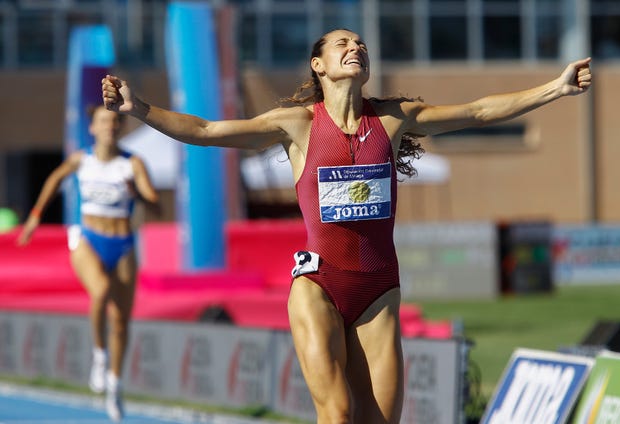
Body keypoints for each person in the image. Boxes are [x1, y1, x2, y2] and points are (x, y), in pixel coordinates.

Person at [102, 28, 591, 424]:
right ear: (319, 65)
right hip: (318, 283)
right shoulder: (296, 124)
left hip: (378, 290)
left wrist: (556, 87)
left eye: (361, 44)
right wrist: (137, 108)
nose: (356, 47)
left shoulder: (396, 119)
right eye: (343, 43)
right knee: (336, 415)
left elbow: (480, 111)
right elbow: (206, 132)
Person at [17, 105, 160, 422]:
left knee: (121, 321)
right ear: (93, 128)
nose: (110, 126)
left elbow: (156, 206)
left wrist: (137, 194)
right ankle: (99, 355)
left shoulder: (132, 164)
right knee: (101, 292)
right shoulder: (82, 159)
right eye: (104, 121)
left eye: (115, 121)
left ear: (120, 127)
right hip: (88, 240)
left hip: (122, 244)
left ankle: (115, 385)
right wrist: (35, 218)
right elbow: (54, 179)